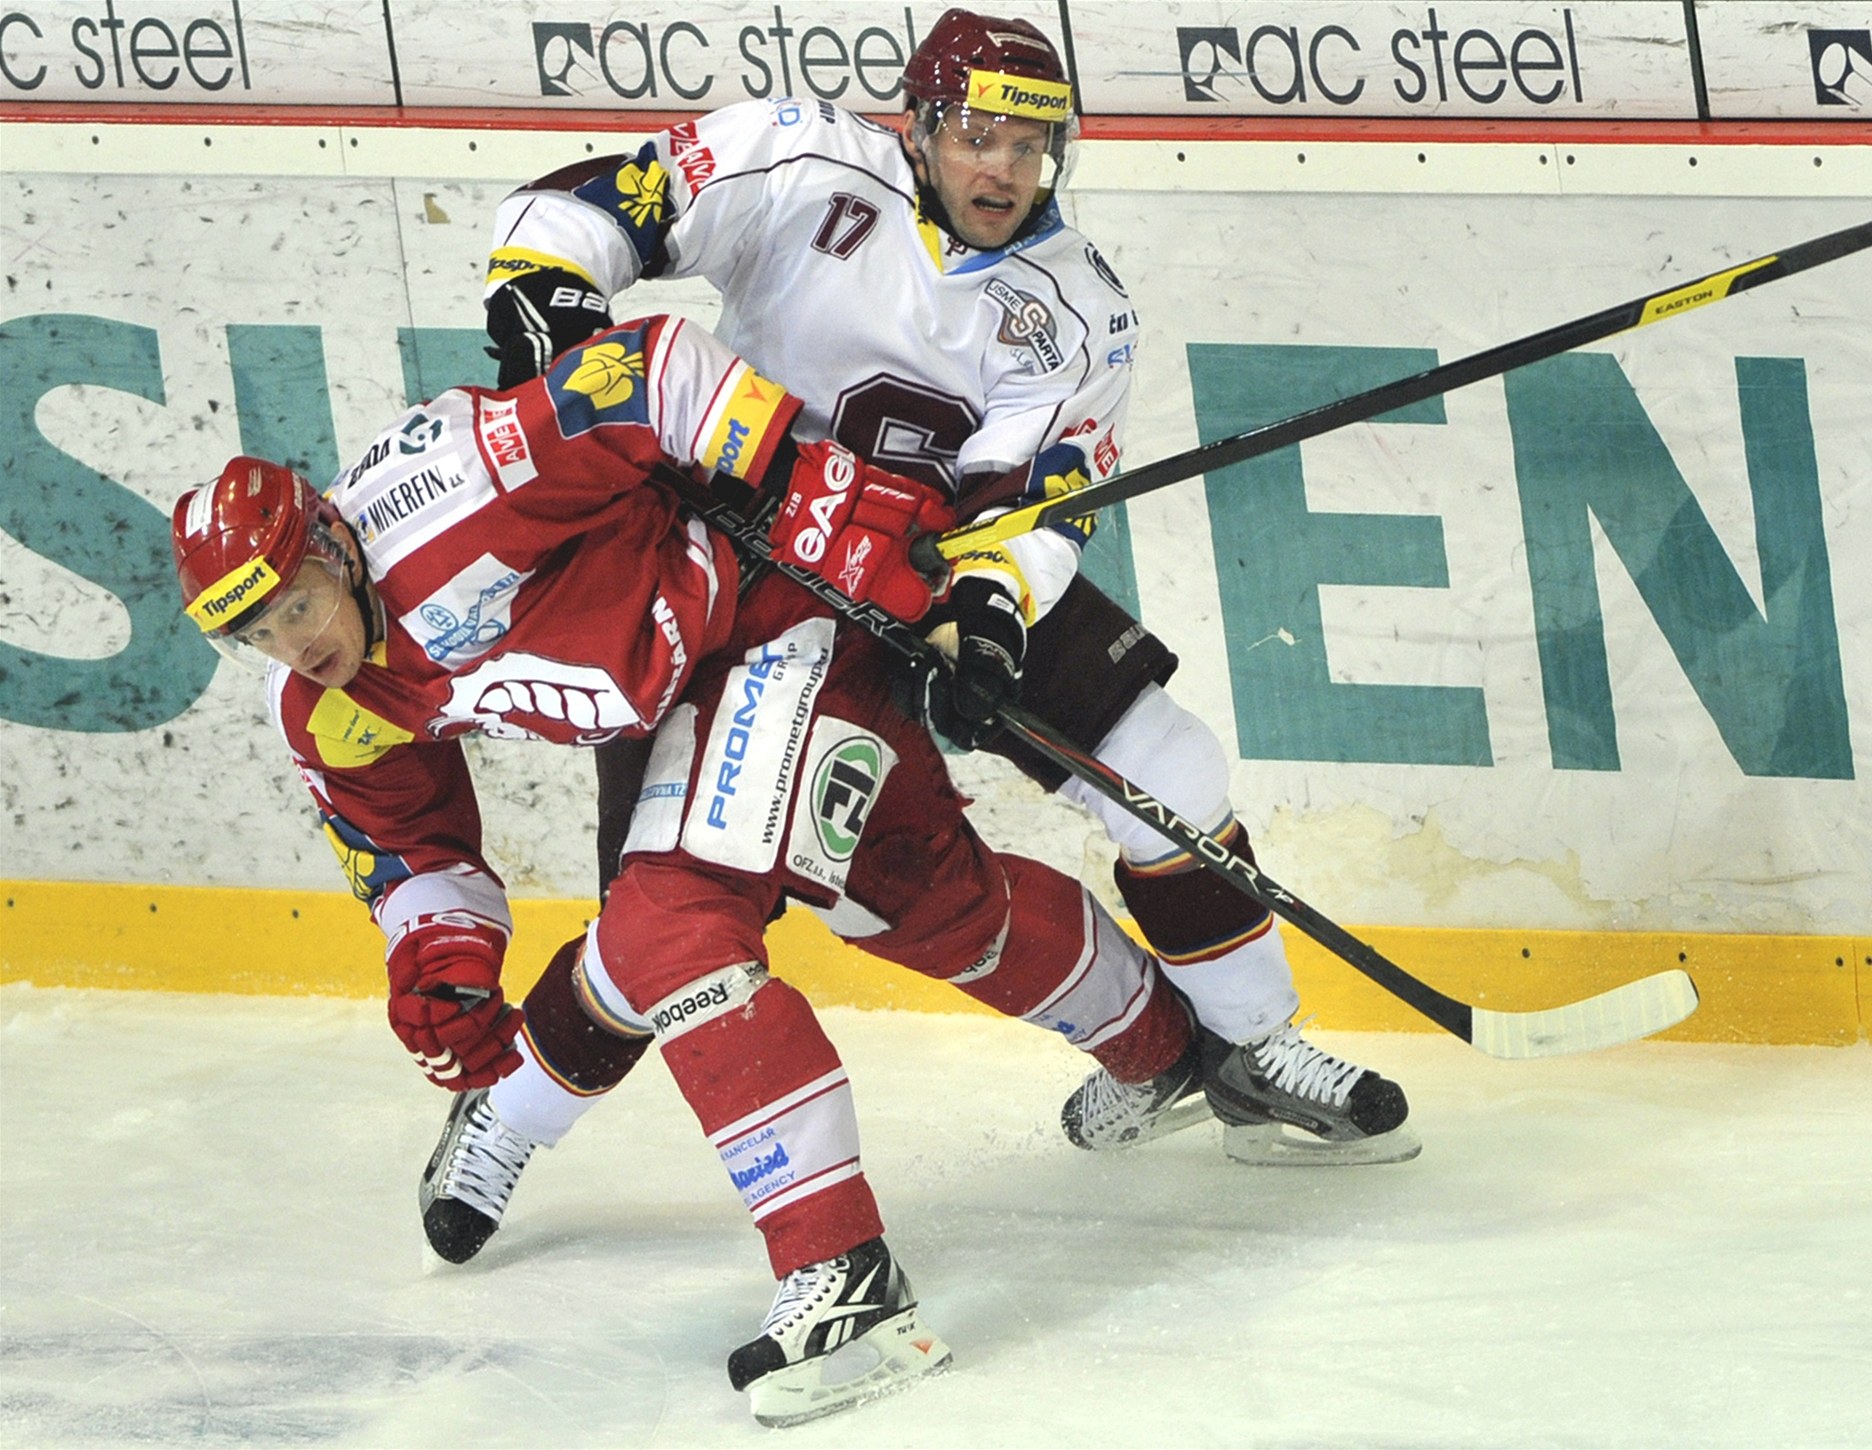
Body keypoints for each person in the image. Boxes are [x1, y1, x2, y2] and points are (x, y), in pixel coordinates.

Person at [170, 313, 1199, 1425]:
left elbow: (644, 367)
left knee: (670, 929)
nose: (293, 644)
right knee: (926, 899)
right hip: (686, 693)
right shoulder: (321, 703)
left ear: (332, 548)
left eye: (297, 606)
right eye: (257, 633)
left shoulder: (450, 493)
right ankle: (1166, 1048)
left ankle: (844, 1276)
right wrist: (440, 957)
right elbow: (411, 845)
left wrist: (810, 490)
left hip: (772, 614)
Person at [481, 8, 1416, 1169]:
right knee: (654, 918)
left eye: (1029, 146)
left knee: (1166, 766)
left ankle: (1251, 1046)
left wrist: (988, 609)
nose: (1003, 170)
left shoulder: (1078, 306)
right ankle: (501, 1121)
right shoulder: (800, 161)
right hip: (732, 575)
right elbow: (597, 206)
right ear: (918, 127)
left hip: (919, 572)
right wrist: (550, 288)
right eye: (977, 136)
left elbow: (1031, 502)